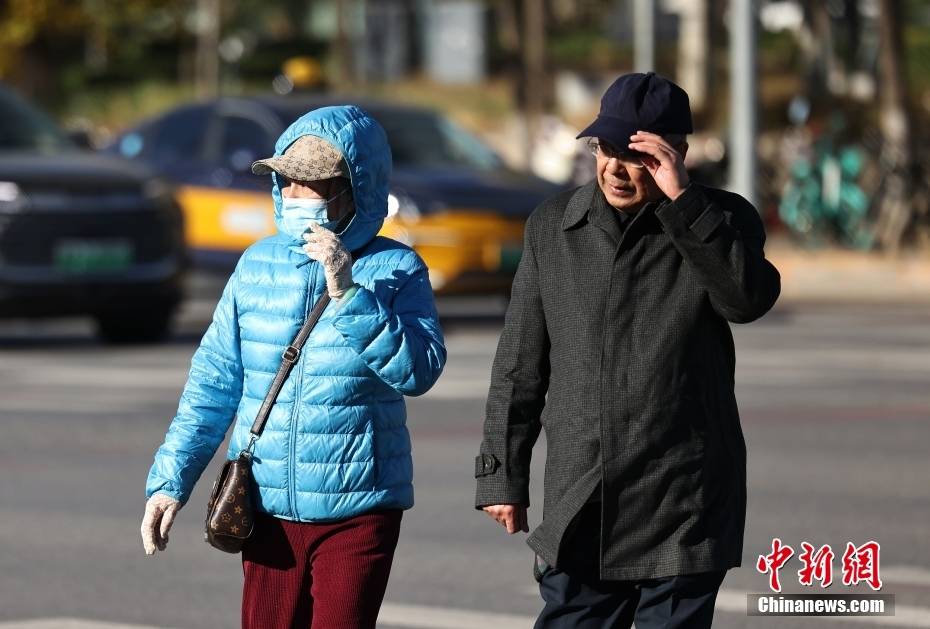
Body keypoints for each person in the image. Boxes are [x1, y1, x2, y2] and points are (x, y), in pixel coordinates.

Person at [474, 72, 781, 628]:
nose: (615, 167)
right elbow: (520, 363)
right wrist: (502, 475)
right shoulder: (553, 227)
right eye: (606, 148)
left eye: (639, 155)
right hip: (582, 497)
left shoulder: (723, 219)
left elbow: (745, 300)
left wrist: (684, 202)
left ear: (677, 155)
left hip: (682, 497)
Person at [141, 105, 446, 629]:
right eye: (287, 179)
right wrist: (170, 481)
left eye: (315, 184)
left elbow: (418, 371)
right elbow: (213, 383)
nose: (296, 195)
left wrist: (349, 293)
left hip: (359, 505)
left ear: (357, 188)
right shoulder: (256, 264)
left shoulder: (397, 267)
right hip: (264, 506)